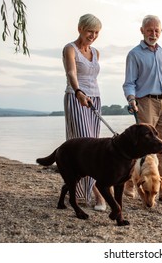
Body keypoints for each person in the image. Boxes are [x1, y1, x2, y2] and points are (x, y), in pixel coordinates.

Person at [123, 15, 162, 207]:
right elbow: (129, 83)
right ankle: (130, 184)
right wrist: (132, 100)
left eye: (156, 30)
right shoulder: (134, 54)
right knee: (140, 150)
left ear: (161, 31)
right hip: (145, 102)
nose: (153, 33)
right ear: (142, 31)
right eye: (149, 30)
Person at [62, 13, 106, 211]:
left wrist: (91, 97)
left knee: (94, 147)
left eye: (96, 32)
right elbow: (71, 72)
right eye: (90, 31)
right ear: (80, 28)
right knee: (83, 146)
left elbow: (94, 78)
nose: (93, 35)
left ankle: (80, 193)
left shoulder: (96, 52)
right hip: (76, 97)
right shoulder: (69, 49)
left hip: (94, 99)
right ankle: (99, 195)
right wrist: (79, 91)